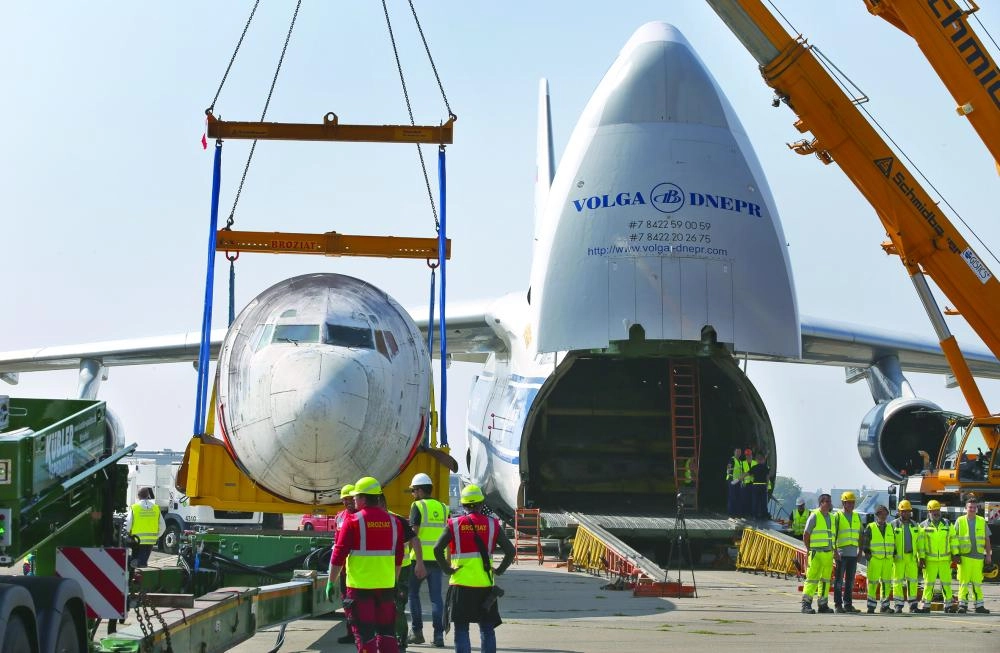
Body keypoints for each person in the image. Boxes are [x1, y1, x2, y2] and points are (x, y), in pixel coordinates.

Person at [328, 476, 405, 653]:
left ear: (363, 498)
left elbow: (339, 554)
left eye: (355, 497)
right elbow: (399, 557)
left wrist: (331, 581)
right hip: (385, 587)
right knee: (387, 632)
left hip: (360, 588)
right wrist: (394, 580)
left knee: (364, 633)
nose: (353, 499)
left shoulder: (353, 521)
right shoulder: (394, 523)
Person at [434, 485, 515, 653]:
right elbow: (510, 551)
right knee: (486, 629)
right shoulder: (493, 524)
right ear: (480, 504)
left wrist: (448, 570)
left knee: (462, 629)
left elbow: (437, 549)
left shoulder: (454, 524)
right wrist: (498, 570)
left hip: (461, 585)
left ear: (463, 505)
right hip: (485, 586)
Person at [375, 494, 427, 651]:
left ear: (381, 503)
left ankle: (400, 639)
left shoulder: (397, 520)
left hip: (401, 570)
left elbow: (415, 539)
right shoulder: (369, 521)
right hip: (379, 570)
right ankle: (382, 638)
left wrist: (419, 562)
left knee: (397, 606)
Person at [407, 472, 451, 647]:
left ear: (419, 491)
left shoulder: (417, 506)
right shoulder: (443, 507)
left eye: (413, 490)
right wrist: (447, 558)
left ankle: (417, 632)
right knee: (436, 599)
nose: (412, 494)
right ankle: (438, 636)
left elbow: (413, 534)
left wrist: (413, 557)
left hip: (419, 560)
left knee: (413, 595)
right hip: (437, 560)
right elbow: (448, 536)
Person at [916, 499, 957, 613]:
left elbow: (953, 540)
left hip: (945, 560)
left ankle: (948, 605)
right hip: (930, 561)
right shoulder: (923, 526)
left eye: (937, 510)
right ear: (928, 512)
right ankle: (925, 606)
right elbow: (921, 544)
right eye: (933, 510)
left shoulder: (948, 524)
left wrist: (955, 554)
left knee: (946, 583)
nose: (936, 513)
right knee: (929, 584)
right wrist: (921, 558)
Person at [953, 494, 993, 614]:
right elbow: (953, 539)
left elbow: (987, 539)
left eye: (974, 507)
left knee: (977, 583)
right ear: (966, 508)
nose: (972, 509)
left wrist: (989, 555)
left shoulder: (981, 521)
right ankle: (962, 605)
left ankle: (979, 606)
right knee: (963, 582)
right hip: (964, 557)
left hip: (978, 558)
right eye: (970, 507)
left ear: (977, 509)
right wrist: (955, 555)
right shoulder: (960, 521)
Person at [331, 484, 359, 645]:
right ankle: (351, 633)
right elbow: (337, 544)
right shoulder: (340, 517)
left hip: (357, 568)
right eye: (345, 499)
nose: (348, 502)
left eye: (350, 499)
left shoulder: (361, 517)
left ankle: (360, 634)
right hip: (344, 569)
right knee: (347, 602)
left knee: (360, 604)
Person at [800, 493, 835, 614]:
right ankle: (806, 604)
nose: (830, 504)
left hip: (828, 553)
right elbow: (806, 534)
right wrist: (809, 548)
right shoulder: (814, 516)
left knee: (825, 580)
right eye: (828, 502)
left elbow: (832, 536)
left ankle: (823, 604)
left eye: (830, 501)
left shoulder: (831, 517)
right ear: (821, 503)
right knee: (812, 579)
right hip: (816, 552)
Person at [890, 499, 923, 613]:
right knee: (897, 581)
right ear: (899, 512)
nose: (906, 513)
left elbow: (920, 542)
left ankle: (913, 605)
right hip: (898, 559)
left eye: (908, 511)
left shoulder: (915, 525)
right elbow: (890, 541)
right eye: (903, 511)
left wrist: (921, 557)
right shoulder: (893, 525)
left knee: (913, 581)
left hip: (911, 558)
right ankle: (898, 605)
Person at [861, 504, 895, 614]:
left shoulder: (890, 527)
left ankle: (885, 606)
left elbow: (894, 543)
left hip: (887, 559)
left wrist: (893, 555)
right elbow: (865, 543)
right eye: (881, 514)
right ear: (877, 515)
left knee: (886, 583)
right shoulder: (870, 527)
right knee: (872, 583)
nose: (883, 516)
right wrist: (868, 555)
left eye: (885, 514)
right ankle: (871, 606)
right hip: (875, 559)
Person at [832, 491, 862, 614]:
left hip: (853, 554)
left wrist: (860, 551)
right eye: (848, 502)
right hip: (841, 553)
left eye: (853, 502)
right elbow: (833, 535)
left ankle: (848, 604)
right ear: (843, 503)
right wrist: (835, 551)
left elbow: (860, 535)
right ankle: (838, 605)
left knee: (850, 581)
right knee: (839, 581)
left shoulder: (856, 516)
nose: (851, 505)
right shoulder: (837, 516)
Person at [125, 487, 166, 567]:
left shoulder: (134, 507)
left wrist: (127, 534)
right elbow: (163, 526)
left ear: (138, 496)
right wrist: (156, 536)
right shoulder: (155, 508)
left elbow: (128, 523)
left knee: (137, 562)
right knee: (143, 561)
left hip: (137, 540)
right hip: (151, 541)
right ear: (148, 496)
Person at [747, 451, 770, 519]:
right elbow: (767, 477)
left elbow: (747, 474)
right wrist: (767, 486)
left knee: (755, 501)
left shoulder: (754, 467)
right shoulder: (766, 468)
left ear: (757, 460)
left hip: (755, 485)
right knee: (763, 502)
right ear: (762, 460)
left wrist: (739, 479)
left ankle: (754, 515)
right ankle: (764, 515)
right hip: (763, 485)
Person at [725, 448, 743, 516]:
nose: (738, 453)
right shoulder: (732, 459)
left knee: (738, 496)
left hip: (738, 480)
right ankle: (731, 512)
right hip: (732, 480)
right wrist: (729, 475)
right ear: (734, 452)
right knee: (732, 496)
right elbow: (728, 468)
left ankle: (737, 512)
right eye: (737, 452)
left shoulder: (740, 461)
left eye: (739, 452)